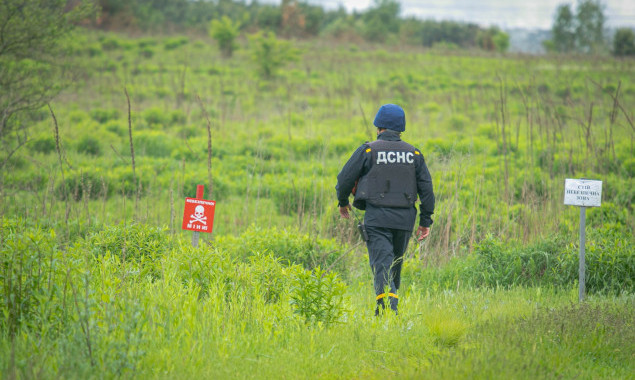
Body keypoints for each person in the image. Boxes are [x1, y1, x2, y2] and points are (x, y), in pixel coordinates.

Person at [336, 104, 435, 316]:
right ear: (401, 128)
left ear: (378, 126)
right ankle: (390, 308)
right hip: (405, 221)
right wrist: (425, 221)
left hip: (377, 219)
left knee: (382, 264)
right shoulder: (414, 154)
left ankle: (386, 311)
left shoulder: (368, 150)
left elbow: (344, 178)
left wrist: (343, 201)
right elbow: (427, 189)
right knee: (394, 265)